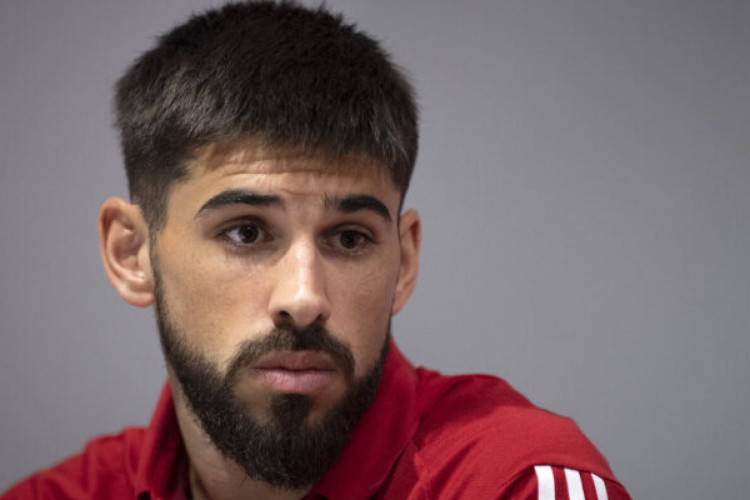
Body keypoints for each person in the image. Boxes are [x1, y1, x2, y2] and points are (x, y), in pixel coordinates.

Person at [2, 2, 630, 499]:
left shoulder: (515, 485)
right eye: (245, 231)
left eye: (350, 238)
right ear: (132, 253)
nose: (303, 298)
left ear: (404, 263)